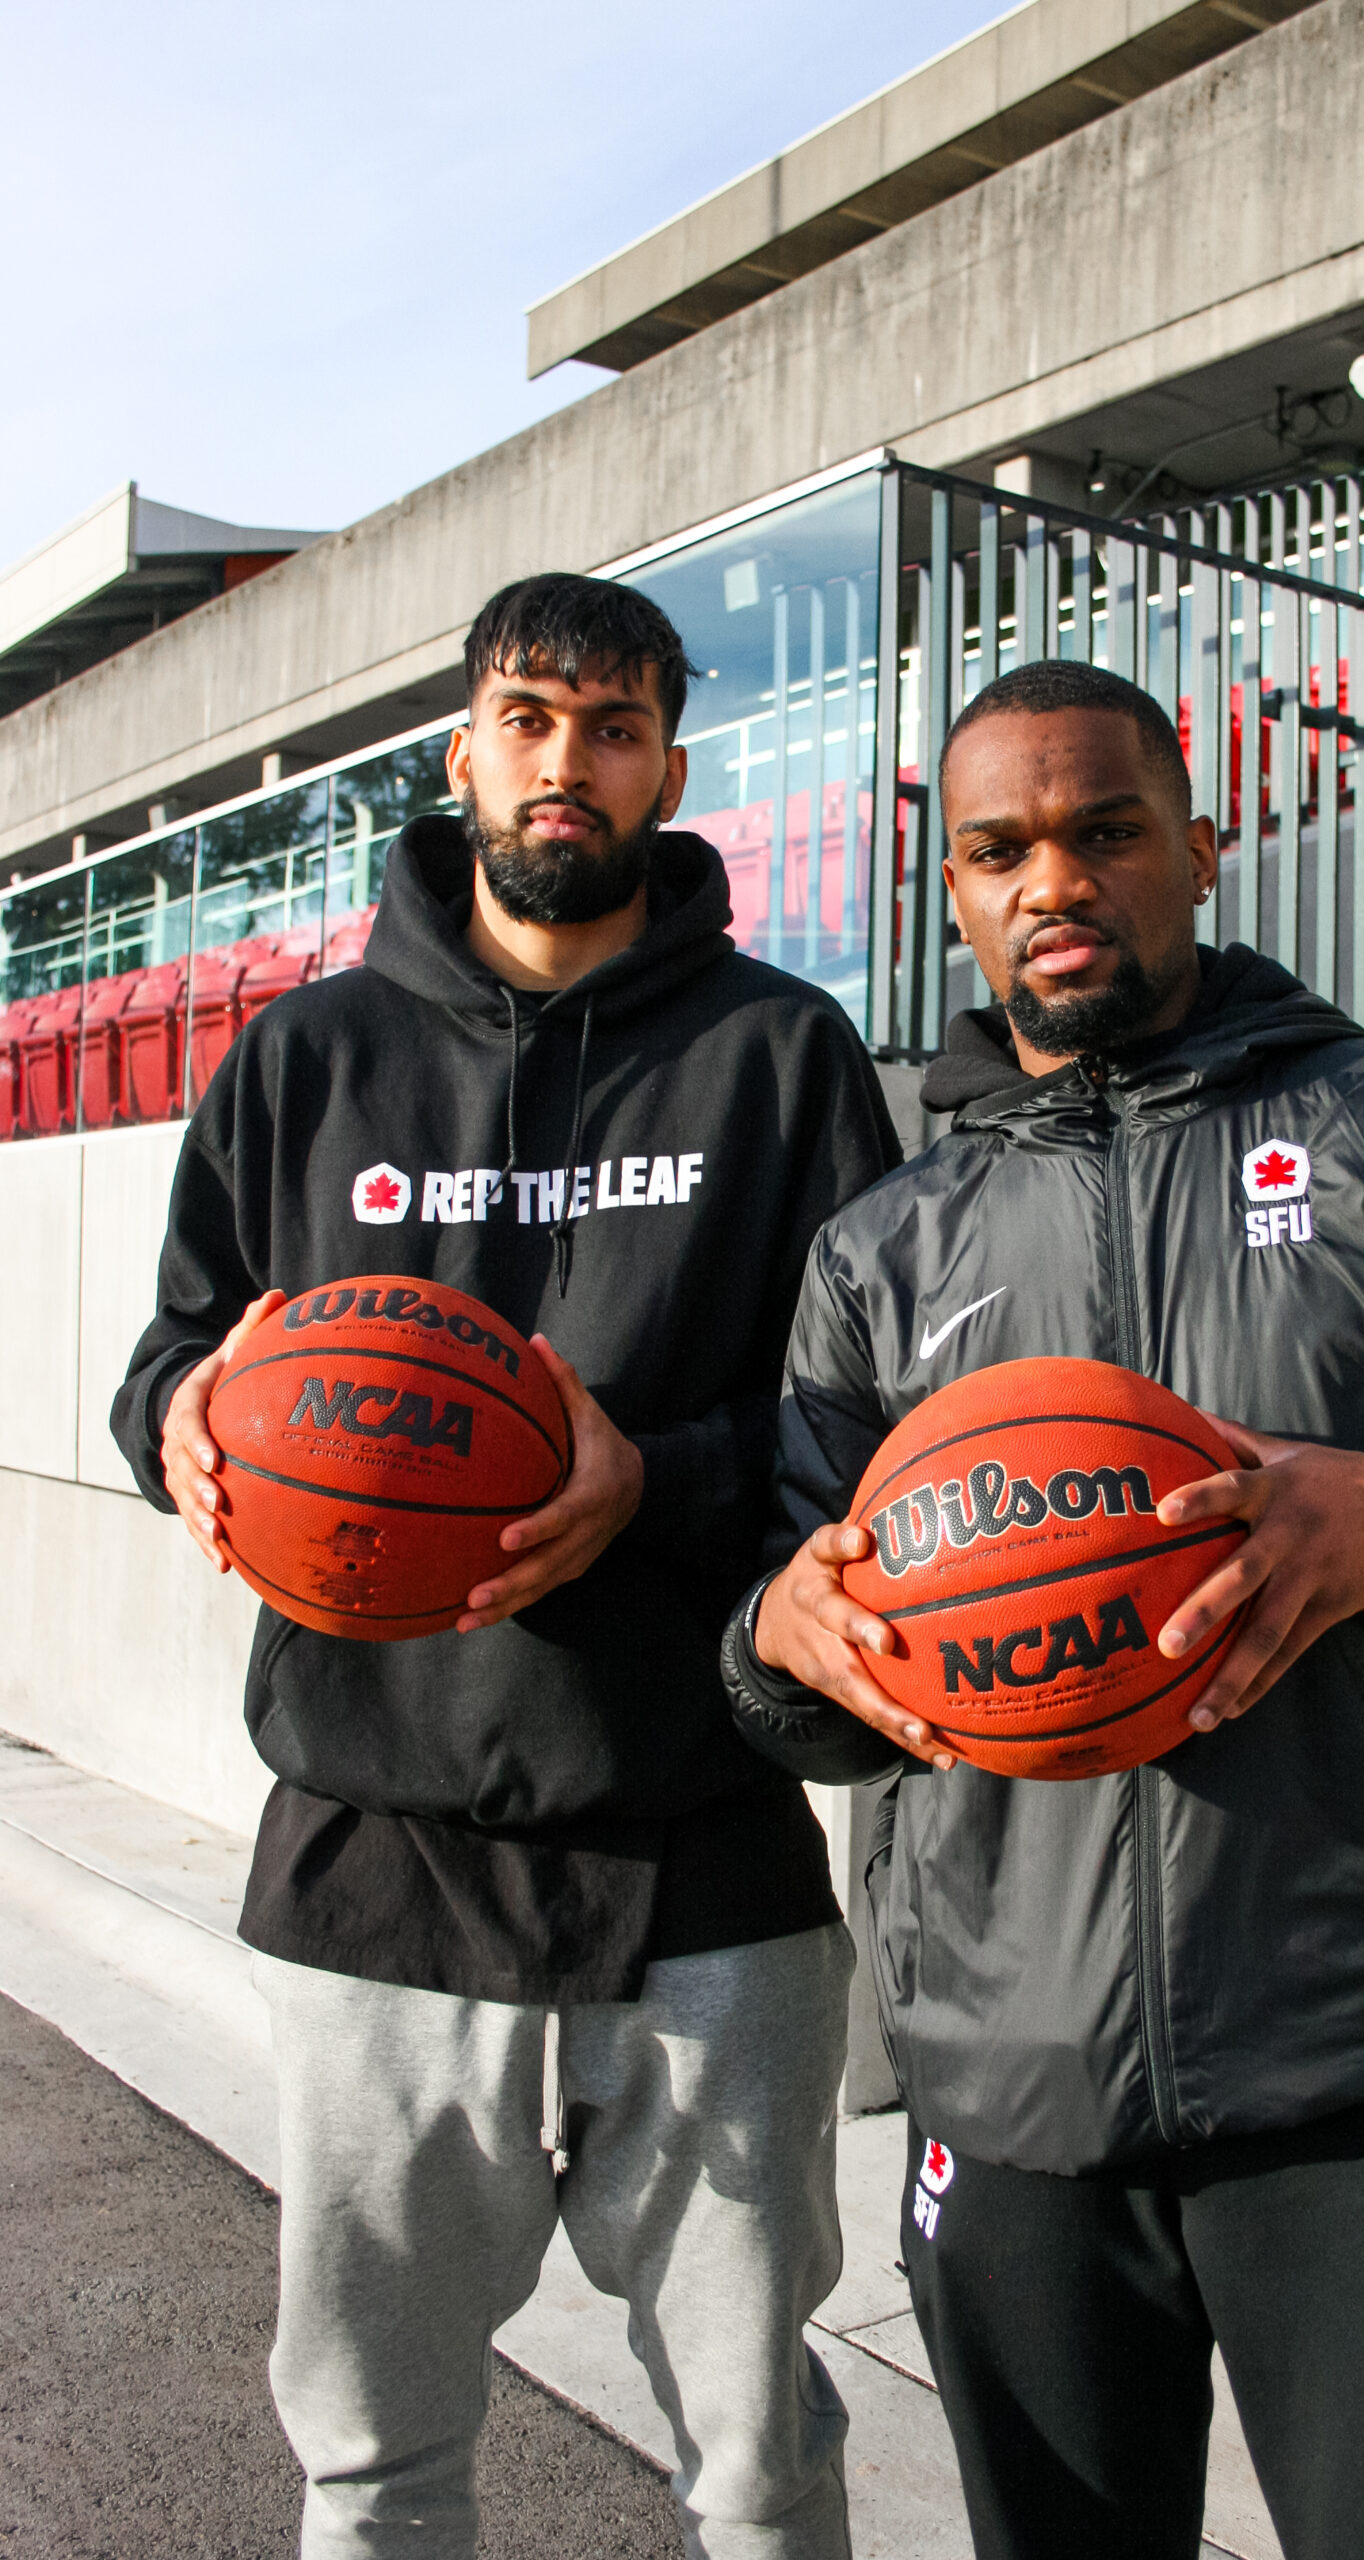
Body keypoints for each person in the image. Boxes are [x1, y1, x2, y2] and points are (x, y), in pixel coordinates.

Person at [722, 658, 1364, 2560]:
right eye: (1001, 848)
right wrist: (785, 1637)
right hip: (1002, 2094)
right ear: (954, 889)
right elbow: (794, 1652)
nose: (1055, 881)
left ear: (1199, 845)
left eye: (1105, 831)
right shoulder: (878, 1249)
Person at [112, 572, 900, 2560]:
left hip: (702, 1836)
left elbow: (875, 1435)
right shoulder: (305, 1059)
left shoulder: (781, 1056)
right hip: (382, 1838)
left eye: (615, 725)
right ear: (462, 751)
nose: (570, 761)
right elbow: (167, 1363)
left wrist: (658, 1473)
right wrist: (188, 1429)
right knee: (375, 2466)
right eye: (531, 718)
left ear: (671, 765)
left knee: (763, 2457)